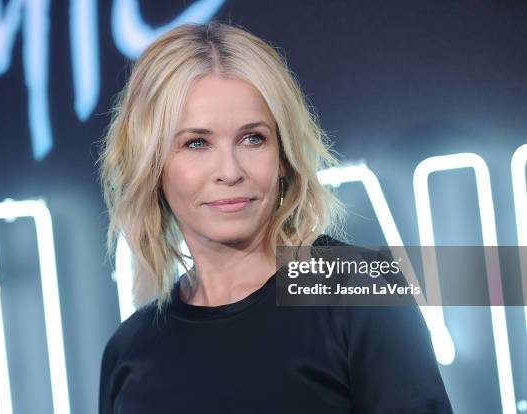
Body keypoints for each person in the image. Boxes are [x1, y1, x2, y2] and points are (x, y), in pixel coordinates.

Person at [97, 21, 454, 413]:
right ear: (153, 166)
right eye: (196, 143)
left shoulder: (357, 287)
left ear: (283, 156)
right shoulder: (128, 351)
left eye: (253, 138)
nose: (230, 171)